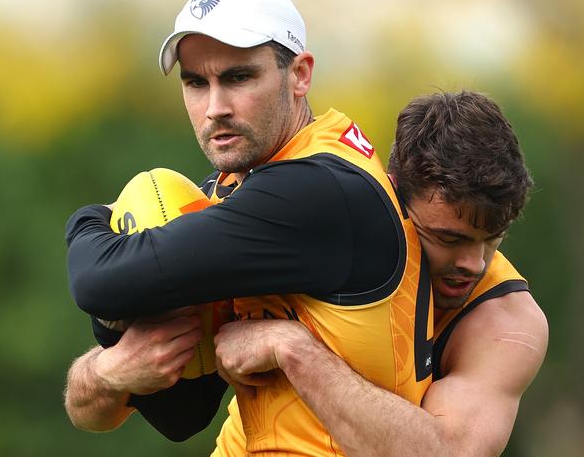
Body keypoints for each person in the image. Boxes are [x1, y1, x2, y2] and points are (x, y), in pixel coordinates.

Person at [64, 0, 433, 455]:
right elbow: (182, 412)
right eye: (196, 82)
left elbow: (97, 282)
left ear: (300, 74)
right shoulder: (249, 187)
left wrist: (90, 219)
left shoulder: (315, 191)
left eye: (238, 77)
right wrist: (111, 368)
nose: (214, 108)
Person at [213, 91, 549, 456]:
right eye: (448, 238)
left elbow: (451, 453)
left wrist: (292, 348)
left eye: (492, 239)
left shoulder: (507, 324)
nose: (475, 263)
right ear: (389, 198)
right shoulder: (328, 227)